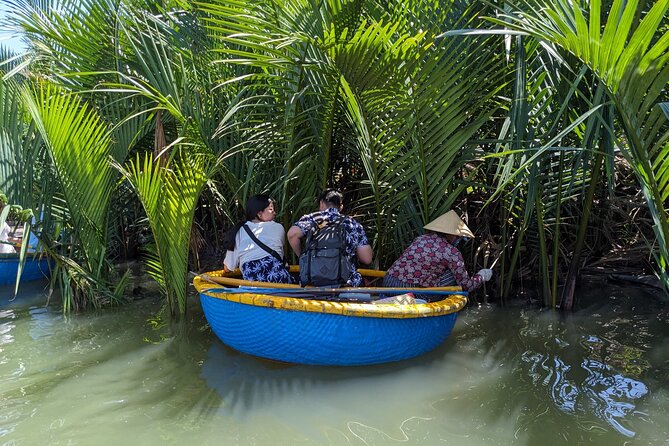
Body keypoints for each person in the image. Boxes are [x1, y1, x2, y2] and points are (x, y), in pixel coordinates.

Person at [382, 210, 492, 301]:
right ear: (450, 234)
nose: (457, 239)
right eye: (457, 236)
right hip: (410, 291)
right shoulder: (452, 252)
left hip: (388, 282)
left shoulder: (420, 239)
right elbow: (465, 286)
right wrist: (481, 276)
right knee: (452, 275)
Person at [287, 189, 373, 286]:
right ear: (341, 206)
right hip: (346, 283)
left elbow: (292, 234)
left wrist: (303, 257)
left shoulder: (312, 219)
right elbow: (367, 259)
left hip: (313, 282)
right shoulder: (352, 224)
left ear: (321, 203)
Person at [223, 195, 292, 283]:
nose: (274, 212)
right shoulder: (279, 227)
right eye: (271, 209)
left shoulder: (238, 231)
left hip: (253, 284)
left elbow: (228, 268)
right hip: (279, 279)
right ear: (259, 214)